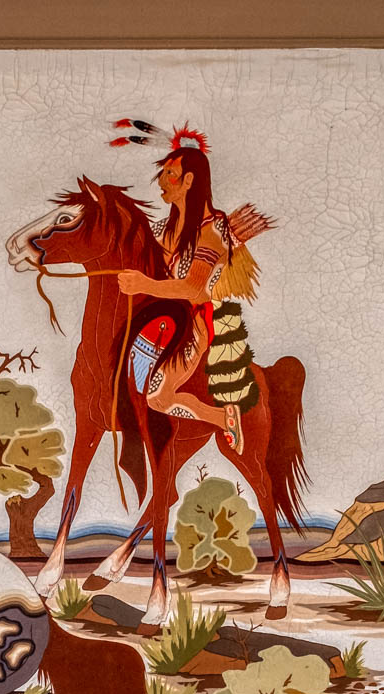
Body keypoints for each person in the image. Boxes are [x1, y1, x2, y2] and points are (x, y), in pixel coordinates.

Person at [108, 121, 273, 452]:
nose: (161, 182)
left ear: (189, 181)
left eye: (169, 174)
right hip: (158, 316)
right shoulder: (164, 228)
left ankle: (221, 417)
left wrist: (144, 283)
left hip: (191, 324)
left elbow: (195, 289)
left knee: (158, 397)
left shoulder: (212, 232)